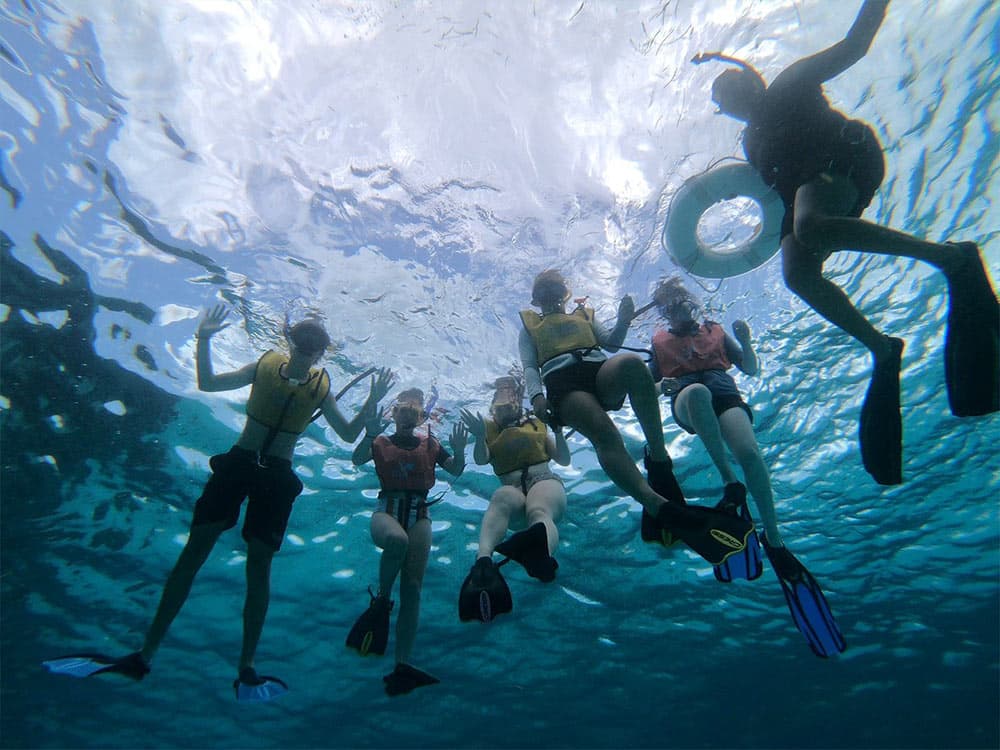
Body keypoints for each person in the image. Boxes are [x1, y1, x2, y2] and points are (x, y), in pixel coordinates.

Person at [695, 0, 998, 486]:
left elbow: (855, 45)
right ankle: (882, 347)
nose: (731, 100)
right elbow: (771, 196)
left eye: (731, 87)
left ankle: (949, 259)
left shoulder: (791, 82)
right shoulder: (751, 143)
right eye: (723, 100)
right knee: (796, 275)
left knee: (812, 226)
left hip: (844, 159)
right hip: (805, 193)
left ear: (753, 80)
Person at [43, 305, 393, 701]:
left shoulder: (320, 387)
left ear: (322, 353)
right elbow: (208, 383)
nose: (307, 349)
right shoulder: (264, 366)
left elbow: (347, 434)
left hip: (277, 476)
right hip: (238, 464)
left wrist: (371, 402)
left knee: (258, 567)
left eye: (315, 345)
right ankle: (144, 654)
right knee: (193, 553)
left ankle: (247, 667)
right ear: (289, 340)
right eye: (302, 340)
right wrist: (205, 339)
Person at [649, 277, 845, 657]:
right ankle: (731, 484)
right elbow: (650, 385)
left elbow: (751, 369)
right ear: (664, 313)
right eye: (669, 305)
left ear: (691, 303)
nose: (678, 308)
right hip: (688, 399)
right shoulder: (659, 343)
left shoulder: (716, 331)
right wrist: (664, 388)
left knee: (751, 455)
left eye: (681, 301)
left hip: (726, 395)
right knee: (697, 392)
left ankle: (775, 539)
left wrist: (745, 340)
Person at [518, 269, 753, 567]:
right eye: (545, 291)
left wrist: (624, 320)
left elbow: (612, 344)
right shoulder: (529, 328)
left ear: (565, 294)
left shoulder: (585, 315)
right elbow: (529, 365)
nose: (551, 296)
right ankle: (656, 504)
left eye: (556, 289)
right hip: (563, 382)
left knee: (632, 364)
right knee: (605, 433)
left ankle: (659, 460)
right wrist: (536, 396)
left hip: (598, 371)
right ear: (536, 300)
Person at [347, 387, 468, 696]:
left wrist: (460, 450)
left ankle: (402, 664)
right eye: (403, 409)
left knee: (413, 589)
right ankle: (382, 601)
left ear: (421, 417)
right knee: (396, 541)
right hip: (386, 509)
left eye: (414, 410)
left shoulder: (431, 444)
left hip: (420, 513)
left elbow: (455, 468)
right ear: (394, 412)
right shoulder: (381, 441)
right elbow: (357, 459)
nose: (408, 414)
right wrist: (368, 433)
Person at [457, 375, 571, 622]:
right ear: (492, 409)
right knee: (501, 496)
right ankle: (483, 562)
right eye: (499, 408)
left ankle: (541, 556)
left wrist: (558, 431)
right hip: (513, 491)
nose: (505, 412)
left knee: (539, 510)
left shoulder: (536, 423)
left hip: (544, 481)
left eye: (509, 406)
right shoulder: (488, 430)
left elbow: (563, 459)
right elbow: (481, 459)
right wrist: (479, 436)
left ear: (519, 405)